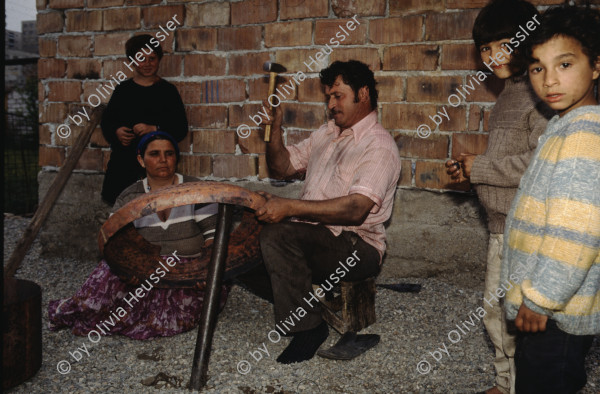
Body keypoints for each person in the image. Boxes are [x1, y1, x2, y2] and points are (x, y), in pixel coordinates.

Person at [256, 60, 401, 364]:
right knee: (247, 225)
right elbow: (282, 167)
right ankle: (302, 299)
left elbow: (355, 210)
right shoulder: (326, 133)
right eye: (328, 98)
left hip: (356, 247)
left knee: (277, 234)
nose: (331, 105)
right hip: (316, 237)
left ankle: (308, 328)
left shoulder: (378, 146)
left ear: (362, 93)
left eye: (338, 96)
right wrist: (275, 131)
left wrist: (289, 207)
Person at [444, 1, 553, 393]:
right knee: (496, 313)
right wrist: (471, 171)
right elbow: (507, 158)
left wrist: (484, 168)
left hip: (524, 229)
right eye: (485, 49)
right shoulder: (508, 94)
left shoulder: (539, 96)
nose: (492, 57)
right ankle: (505, 383)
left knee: (522, 318)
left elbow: (539, 161)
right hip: (499, 226)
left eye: (503, 45)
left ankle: (522, 384)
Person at [500, 5, 600, 393]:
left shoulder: (584, 134)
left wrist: (540, 299)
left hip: (558, 309)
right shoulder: (565, 124)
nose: (549, 80)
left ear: (595, 66)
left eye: (565, 64)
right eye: (538, 67)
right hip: (555, 305)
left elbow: (575, 231)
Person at [49, 132, 223, 339]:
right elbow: (117, 242)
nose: (163, 160)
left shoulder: (196, 189)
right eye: (154, 154)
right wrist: (126, 268)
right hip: (144, 266)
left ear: (177, 158)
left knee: (167, 319)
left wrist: (206, 269)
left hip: (188, 265)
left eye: (169, 154)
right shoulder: (129, 196)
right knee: (98, 298)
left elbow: (213, 237)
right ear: (141, 160)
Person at [100, 34, 188, 205]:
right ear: (132, 61)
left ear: (159, 60)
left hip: (157, 164)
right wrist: (116, 132)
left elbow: (180, 127)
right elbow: (107, 122)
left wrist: (155, 128)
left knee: (156, 207)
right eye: (141, 59)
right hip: (124, 162)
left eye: (152, 58)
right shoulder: (123, 91)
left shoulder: (167, 91)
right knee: (121, 209)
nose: (147, 64)